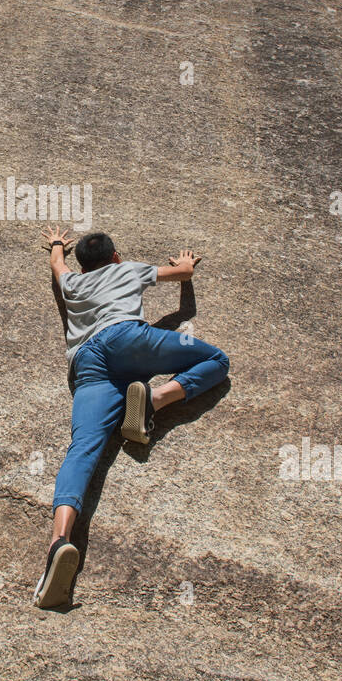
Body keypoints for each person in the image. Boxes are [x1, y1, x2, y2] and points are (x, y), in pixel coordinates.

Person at [32, 224, 229, 609]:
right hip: (131, 340)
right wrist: (186, 264)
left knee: (83, 448)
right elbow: (181, 277)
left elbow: (57, 265)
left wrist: (57, 244)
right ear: (116, 257)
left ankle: (59, 541)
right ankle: (152, 401)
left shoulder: (73, 283)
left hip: (88, 362)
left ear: (84, 266)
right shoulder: (129, 269)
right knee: (215, 359)